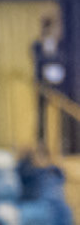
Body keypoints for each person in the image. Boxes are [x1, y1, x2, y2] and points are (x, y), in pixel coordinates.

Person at [32, 15, 67, 147]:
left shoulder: (62, 44)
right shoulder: (38, 44)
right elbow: (38, 62)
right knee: (42, 115)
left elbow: (64, 61)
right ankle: (42, 143)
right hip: (43, 83)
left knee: (63, 112)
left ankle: (63, 142)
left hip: (60, 83)